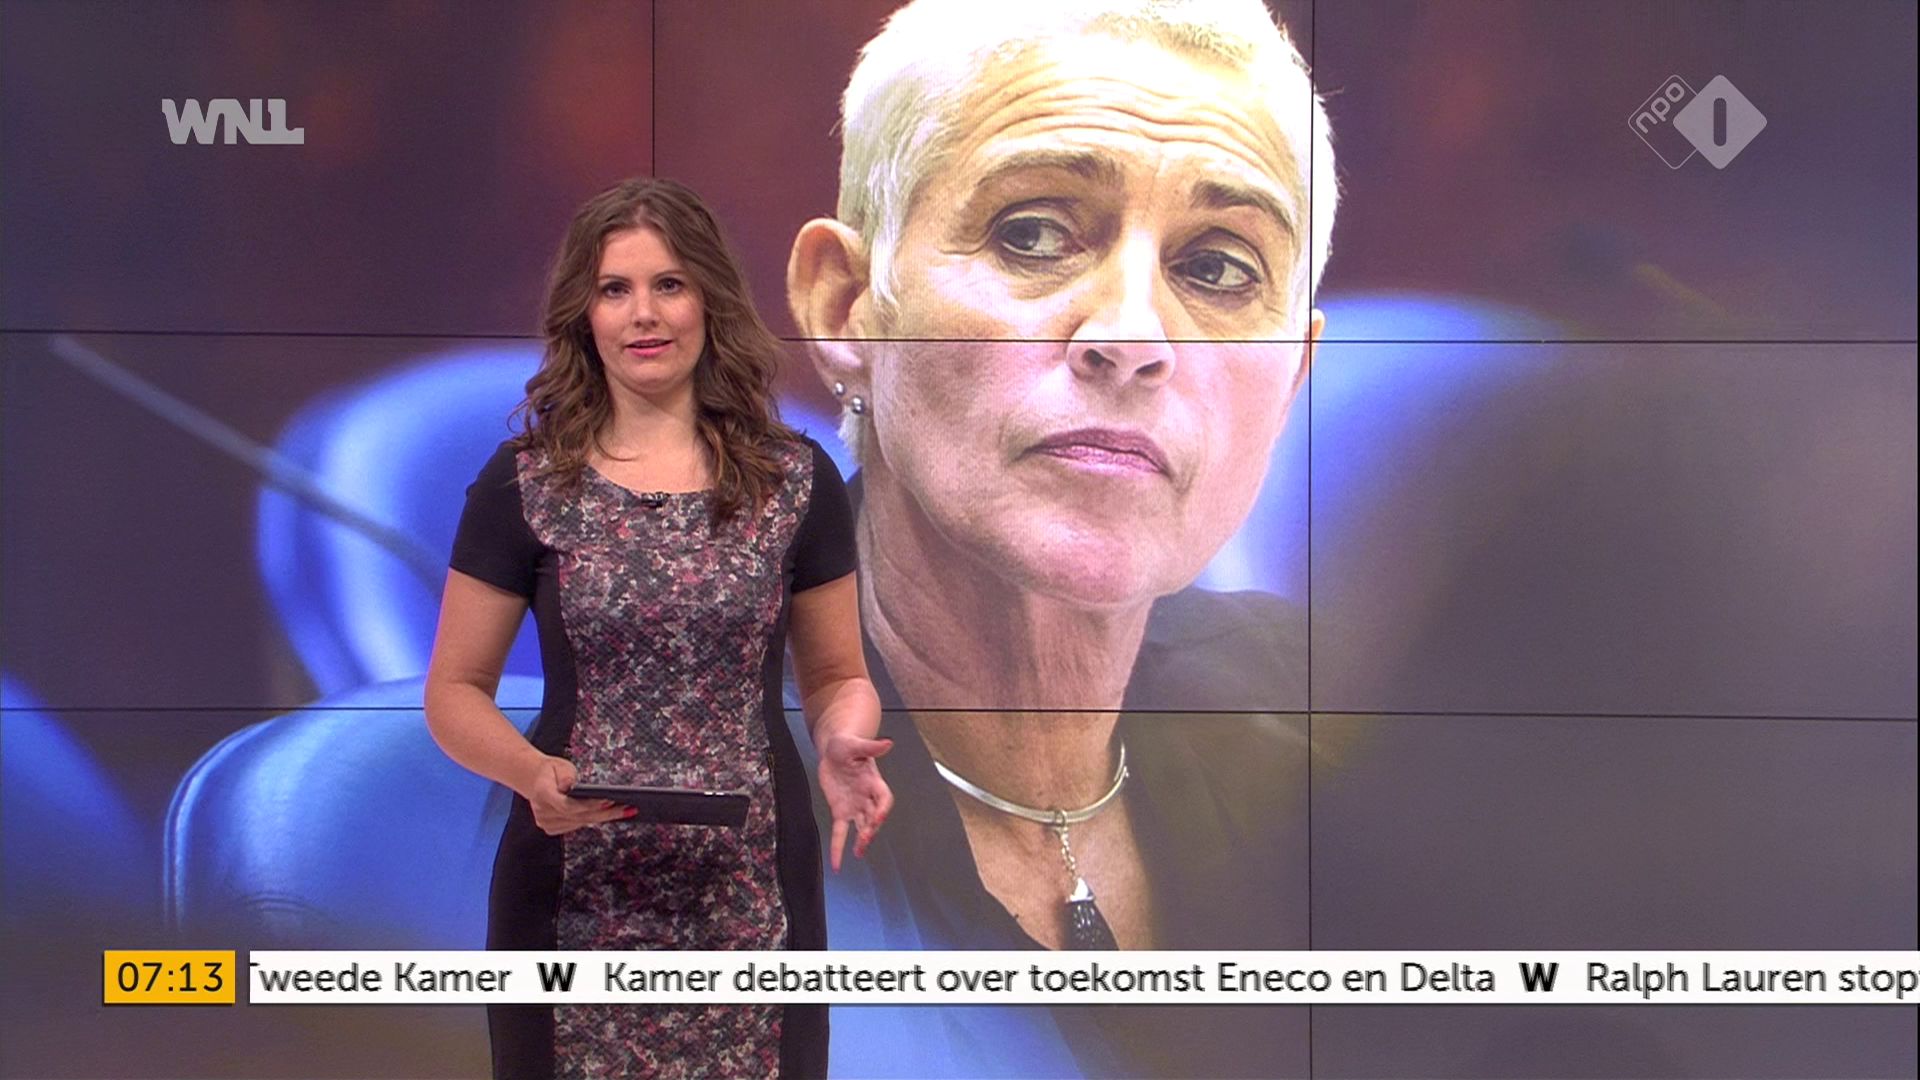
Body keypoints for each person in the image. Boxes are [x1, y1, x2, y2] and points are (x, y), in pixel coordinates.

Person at [784, 0, 1334, 1074]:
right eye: (1031, 233)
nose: (1131, 337)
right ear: (850, 308)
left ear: (1292, 381)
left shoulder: (1345, 732)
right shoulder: (666, 779)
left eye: (1219, 269)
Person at [426, 177, 892, 1079]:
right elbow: (454, 692)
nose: (644, 313)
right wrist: (529, 774)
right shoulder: (524, 482)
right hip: (572, 885)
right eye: (616, 289)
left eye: (669, 285)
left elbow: (839, 677)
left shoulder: (797, 479)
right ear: (585, 314)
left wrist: (843, 740)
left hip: (750, 888)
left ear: (709, 301)